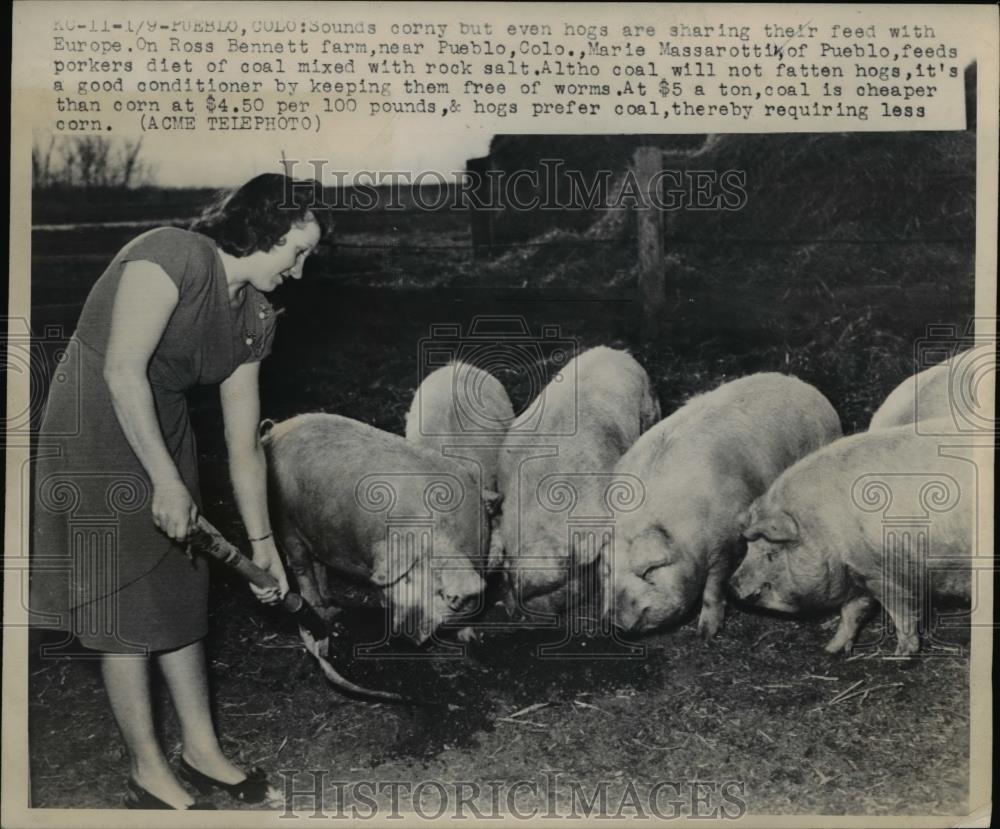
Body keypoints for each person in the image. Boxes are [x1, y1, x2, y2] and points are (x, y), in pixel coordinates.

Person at [30, 173, 331, 809]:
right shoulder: (171, 254)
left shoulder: (255, 314)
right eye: (296, 251)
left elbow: (244, 441)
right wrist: (166, 482)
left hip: (157, 421)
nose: (301, 272)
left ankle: (202, 751)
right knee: (127, 601)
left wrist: (263, 541)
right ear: (264, 230)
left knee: (181, 583)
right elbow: (120, 369)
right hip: (94, 420)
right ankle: (147, 770)